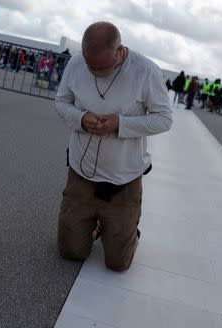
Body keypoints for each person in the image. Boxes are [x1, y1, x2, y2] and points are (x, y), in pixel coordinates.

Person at [54, 21, 173, 271]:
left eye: (101, 68)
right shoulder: (76, 63)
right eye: (90, 67)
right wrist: (81, 119)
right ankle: (95, 226)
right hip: (81, 172)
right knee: (71, 251)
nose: (95, 72)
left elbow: (164, 119)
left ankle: (126, 231)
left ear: (120, 51)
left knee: (118, 263)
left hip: (124, 180)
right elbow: (61, 101)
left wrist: (120, 124)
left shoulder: (146, 70)